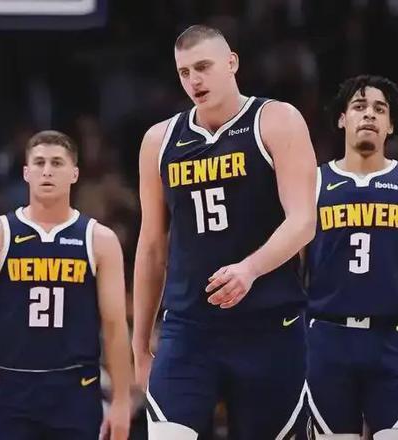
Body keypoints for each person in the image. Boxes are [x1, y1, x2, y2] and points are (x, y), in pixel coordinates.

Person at [132, 25, 317, 439]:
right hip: (189, 328)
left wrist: (249, 269)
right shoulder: (159, 140)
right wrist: (140, 344)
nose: (194, 81)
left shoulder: (276, 120)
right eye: (184, 72)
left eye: (203, 67)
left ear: (231, 63)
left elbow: (303, 221)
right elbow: (152, 247)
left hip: (269, 326)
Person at [305, 75, 398, 439]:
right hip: (327, 339)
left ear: (390, 124)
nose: (369, 114)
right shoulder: (312, 184)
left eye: (379, 109)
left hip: (393, 341)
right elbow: (292, 274)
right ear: (342, 118)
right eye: (359, 106)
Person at [0, 130, 132, 440]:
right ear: (26, 173)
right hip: (14, 386)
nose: (47, 171)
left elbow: (115, 325)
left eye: (57, 162)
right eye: (39, 163)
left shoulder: (99, 239)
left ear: (74, 173)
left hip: (76, 388)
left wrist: (121, 400)